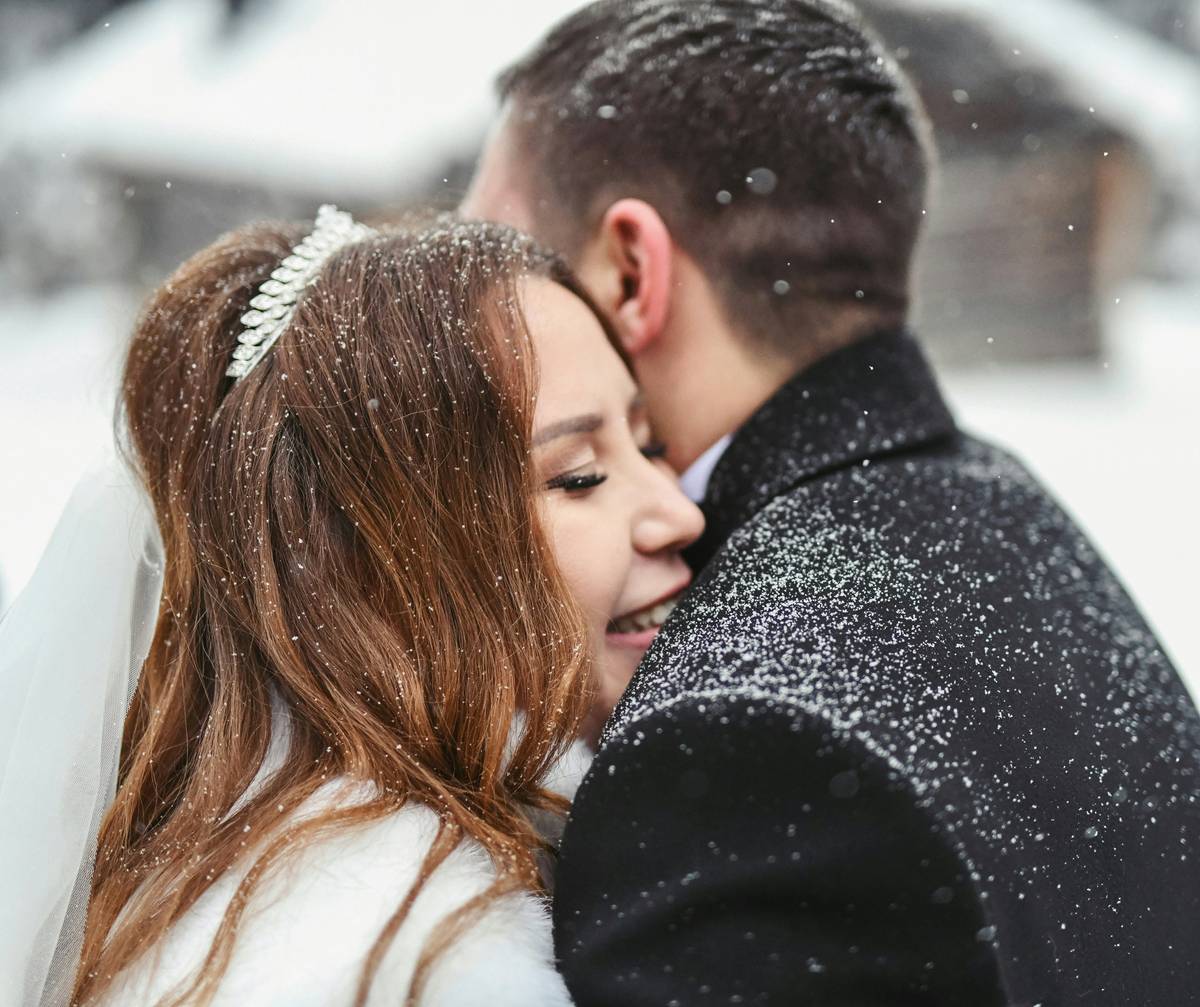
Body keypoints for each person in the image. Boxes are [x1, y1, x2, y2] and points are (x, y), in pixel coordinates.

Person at [461, 1, 1200, 1003]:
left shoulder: (741, 747)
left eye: (502, 264)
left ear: (633, 270)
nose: (467, 326)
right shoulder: (1011, 517)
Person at [0, 208, 702, 1005]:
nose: (680, 512)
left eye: (648, 445)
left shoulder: (241, 867)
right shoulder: (427, 959)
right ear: (369, 566)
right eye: (577, 475)